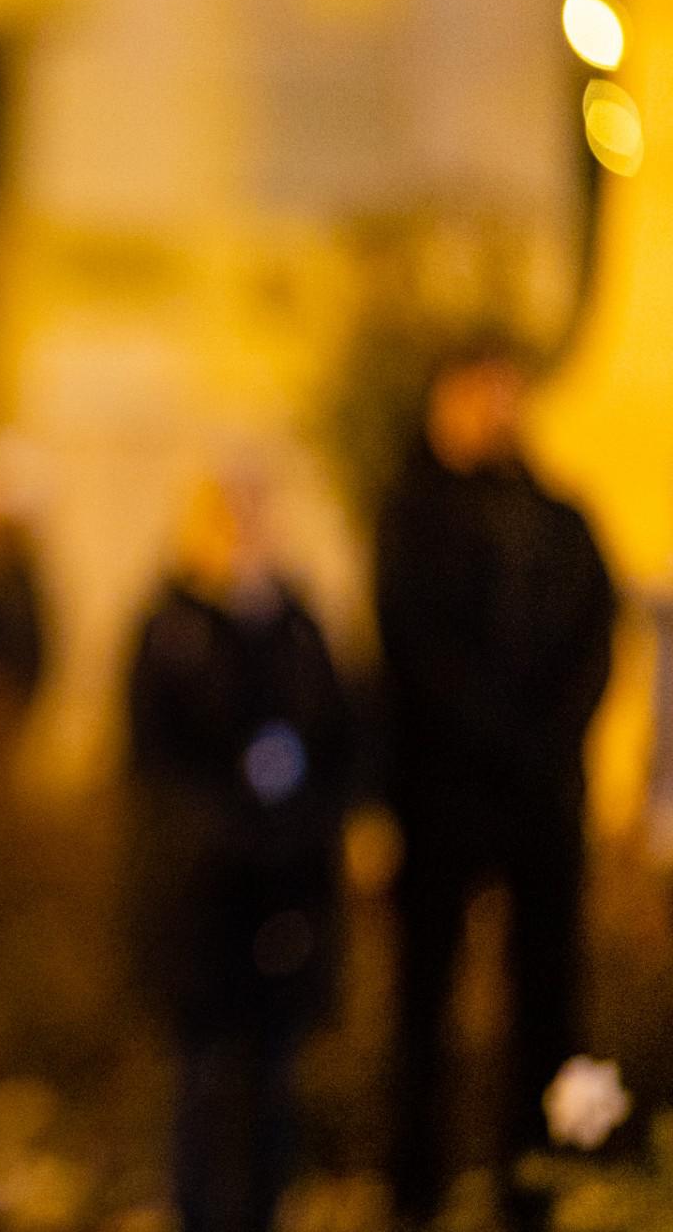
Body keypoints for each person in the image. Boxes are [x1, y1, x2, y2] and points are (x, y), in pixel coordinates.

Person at [378, 335, 615, 1230]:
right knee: (423, 1003)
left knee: (548, 1002)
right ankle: (415, 1184)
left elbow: (597, 637)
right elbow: (411, 647)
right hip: (440, 796)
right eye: (477, 393)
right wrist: (492, 730)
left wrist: (550, 735)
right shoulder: (409, 516)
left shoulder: (559, 517)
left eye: (505, 393)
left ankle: (538, 1181)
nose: (494, 411)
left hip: (542, 799)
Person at [126, 465, 354, 1232]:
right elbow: (156, 763)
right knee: (204, 1079)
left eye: (258, 516)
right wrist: (230, 830)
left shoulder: (299, 628)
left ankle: (264, 1212)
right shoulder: (171, 630)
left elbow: (342, 739)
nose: (245, 535)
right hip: (202, 899)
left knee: (275, 1078)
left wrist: (303, 828)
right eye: (228, 517)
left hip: (287, 894)